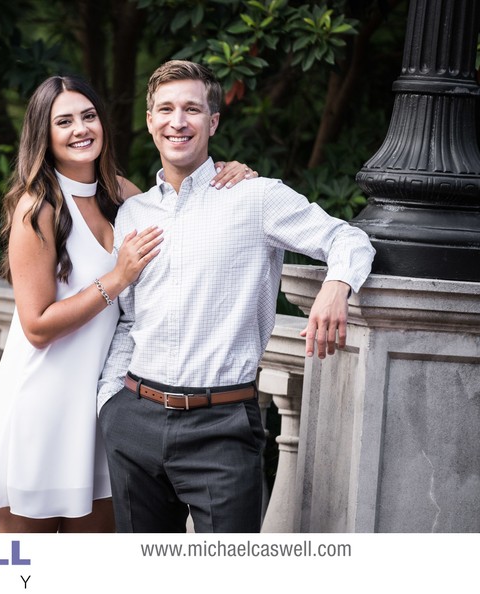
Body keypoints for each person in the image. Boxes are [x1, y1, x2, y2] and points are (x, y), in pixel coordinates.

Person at [97, 60, 376, 533]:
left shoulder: (256, 197)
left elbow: (348, 239)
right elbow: (128, 320)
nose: (177, 121)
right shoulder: (132, 214)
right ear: (149, 121)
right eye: (165, 109)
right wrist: (111, 404)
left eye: (191, 109)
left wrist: (336, 285)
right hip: (134, 421)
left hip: (221, 427)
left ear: (214, 121)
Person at [0, 73, 257, 533]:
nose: (80, 129)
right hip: (43, 401)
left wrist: (235, 174)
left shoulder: (122, 194)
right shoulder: (37, 208)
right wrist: (117, 278)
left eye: (88, 116)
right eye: (63, 121)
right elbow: (37, 326)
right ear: (43, 134)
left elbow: (184, 208)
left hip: (104, 403)